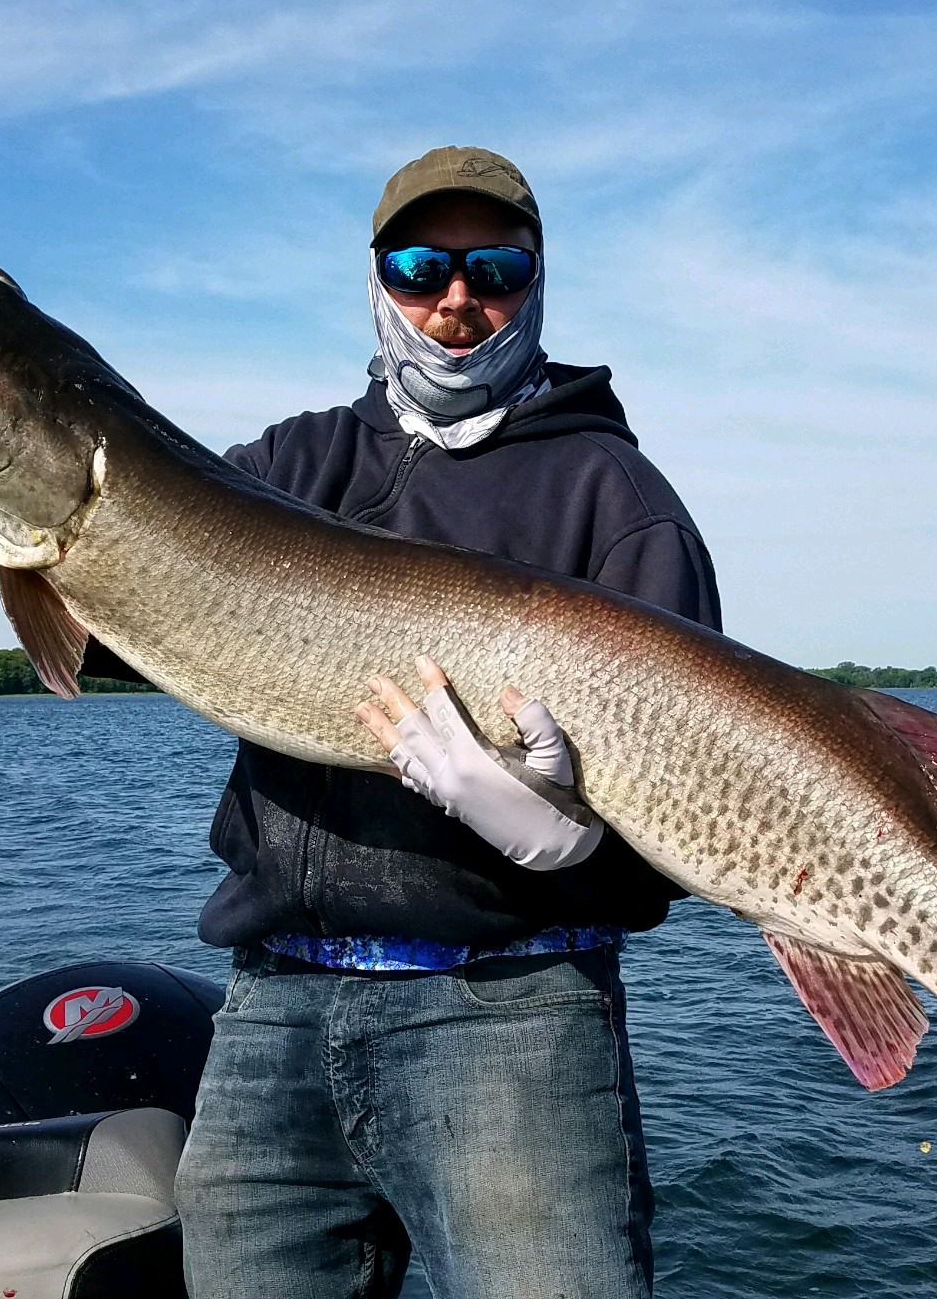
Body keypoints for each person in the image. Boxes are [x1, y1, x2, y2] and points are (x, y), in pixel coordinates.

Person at [96, 146, 720, 1298]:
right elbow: (101, 624)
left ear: (535, 283)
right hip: (270, 1009)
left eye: (494, 268)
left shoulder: (613, 497)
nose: (455, 300)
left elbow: (678, 837)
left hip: (509, 1019)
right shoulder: (293, 463)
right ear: (378, 279)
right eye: (420, 264)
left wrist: (564, 838)